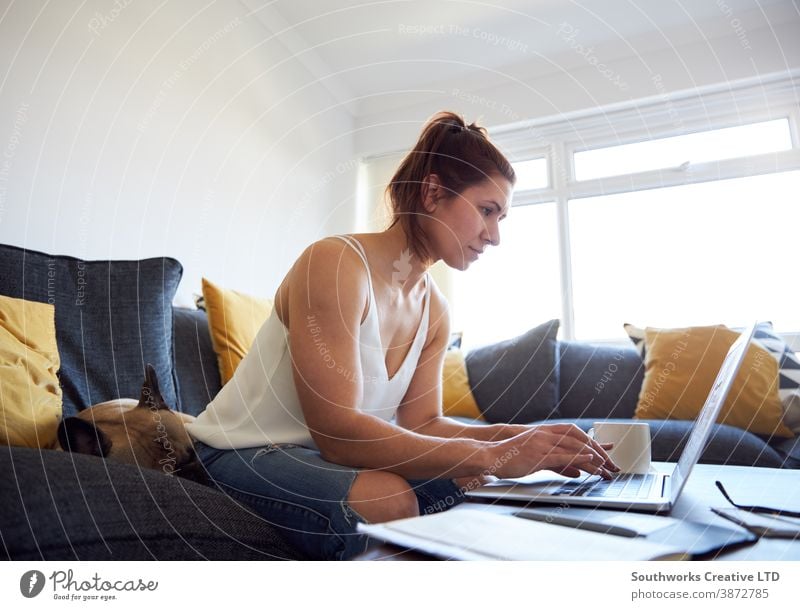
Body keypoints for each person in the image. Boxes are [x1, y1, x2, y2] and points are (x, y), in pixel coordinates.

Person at [186, 111, 619, 560]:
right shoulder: (334, 265)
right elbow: (337, 432)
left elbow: (423, 423)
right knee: (389, 497)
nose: (494, 236)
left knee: (468, 481)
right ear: (433, 193)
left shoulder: (435, 310)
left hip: (319, 460)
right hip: (242, 451)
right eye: (487, 211)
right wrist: (496, 455)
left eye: (501, 217)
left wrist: (526, 439)